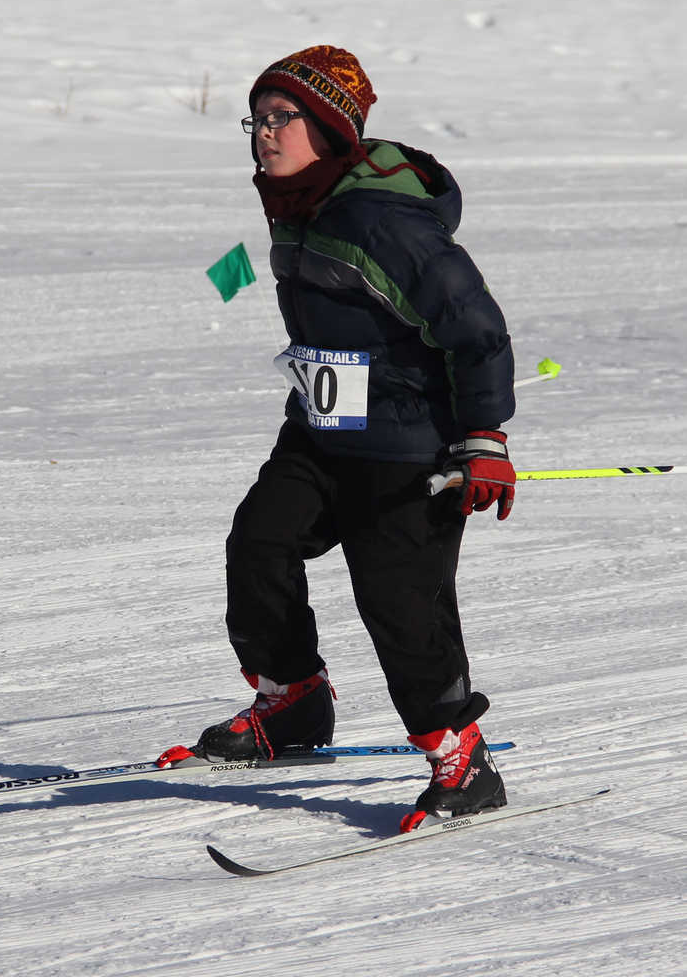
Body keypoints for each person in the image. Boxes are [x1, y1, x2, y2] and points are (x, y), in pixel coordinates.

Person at [157, 45, 516, 831]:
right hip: (322, 434)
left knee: (400, 604)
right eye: (257, 117)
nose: (264, 133)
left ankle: (460, 755)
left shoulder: (379, 220)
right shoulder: (299, 203)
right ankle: (292, 705)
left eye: (284, 117)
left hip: (405, 446)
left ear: (330, 127)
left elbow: (477, 331)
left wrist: (482, 437)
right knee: (258, 545)